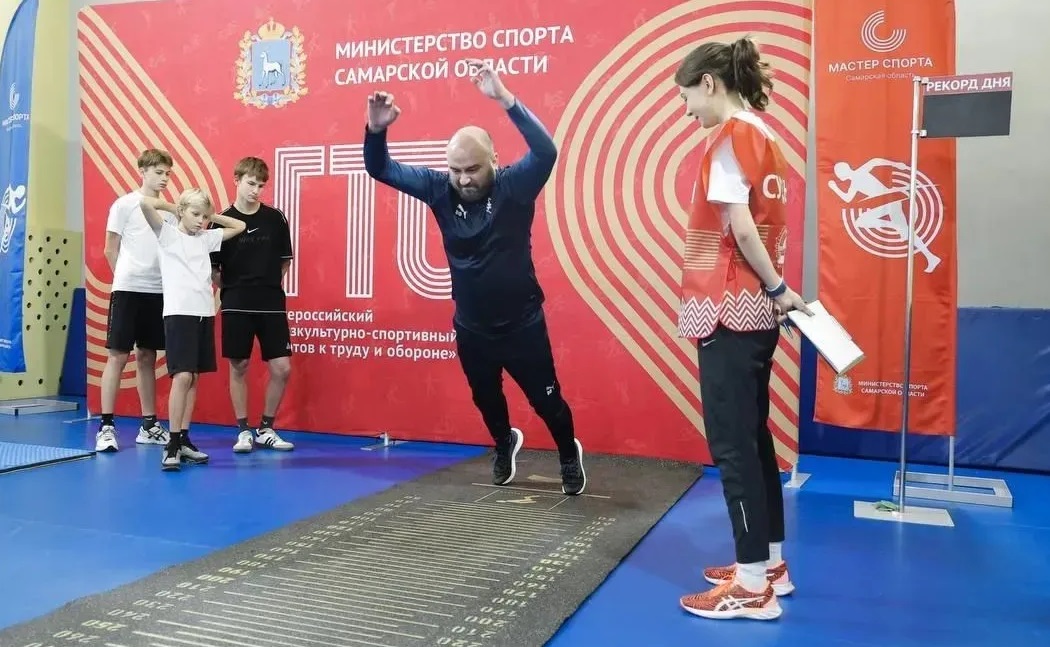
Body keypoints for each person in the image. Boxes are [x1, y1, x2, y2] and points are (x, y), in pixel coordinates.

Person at [362, 59, 586, 495]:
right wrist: (375, 130)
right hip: (472, 327)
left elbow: (546, 152)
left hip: (522, 325)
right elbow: (380, 168)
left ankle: (566, 452)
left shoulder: (514, 186)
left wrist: (505, 99)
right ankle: (504, 443)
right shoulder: (437, 188)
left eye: (473, 169)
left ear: (494, 161)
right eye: (456, 170)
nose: (464, 179)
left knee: (547, 402)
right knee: (486, 398)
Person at [671, 38, 811, 621]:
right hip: (754, 313)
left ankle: (752, 588)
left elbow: (742, 228)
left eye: (687, 97)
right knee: (754, 441)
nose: (686, 111)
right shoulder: (767, 136)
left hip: (729, 308)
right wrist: (775, 292)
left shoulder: (730, 137)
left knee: (733, 448)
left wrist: (778, 287)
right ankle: (769, 564)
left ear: (709, 83)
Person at [139, 190, 246, 470]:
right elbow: (145, 203)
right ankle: (172, 443)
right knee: (183, 376)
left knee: (193, 377)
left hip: (203, 314)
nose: (201, 221)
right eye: (195, 215)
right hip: (179, 314)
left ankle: (184, 439)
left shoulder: (206, 238)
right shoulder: (167, 234)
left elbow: (240, 225)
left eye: (204, 216)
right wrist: (176, 207)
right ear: (182, 211)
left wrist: (210, 215)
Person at [209, 157, 295, 453]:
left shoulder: (275, 218)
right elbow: (214, 270)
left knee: (282, 368)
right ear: (237, 180)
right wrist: (234, 289)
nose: (255, 190)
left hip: (271, 301)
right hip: (236, 302)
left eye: (260, 185)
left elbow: (284, 262)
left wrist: (265, 284)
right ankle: (243, 430)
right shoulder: (220, 221)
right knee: (239, 365)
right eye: (250, 183)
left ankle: (266, 428)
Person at [97, 149, 176, 453]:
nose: (164, 178)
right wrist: (124, 280)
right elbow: (110, 248)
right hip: (128, 289)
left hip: (158, 291)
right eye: (158, 172)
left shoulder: (169, 211)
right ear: (143, 171)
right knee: (118, 356)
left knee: (147, 356)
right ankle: (106, 427)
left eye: (167, 173)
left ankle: (149, 425)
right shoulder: (124, 204)